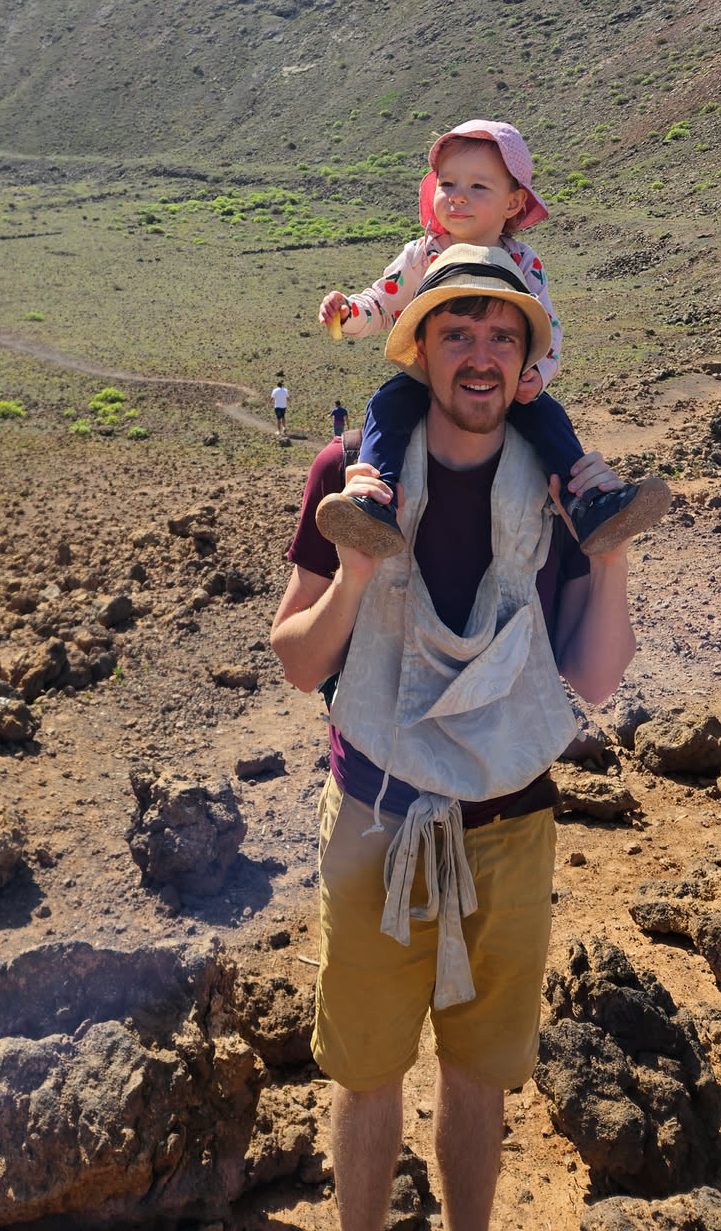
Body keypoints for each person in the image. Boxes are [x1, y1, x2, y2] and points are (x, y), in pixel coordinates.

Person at [272, 244, 637, 1231]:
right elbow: (300, 660)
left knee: (479, 1078)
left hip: (510, 826)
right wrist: (356, 570)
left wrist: (607, 553)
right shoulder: (347, 477)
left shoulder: (559, 486)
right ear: (420, 349)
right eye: (459, 333)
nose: (481, 356)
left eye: (502, 337)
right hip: (375, 819)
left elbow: (595, 676)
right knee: (368, 1076)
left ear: (526, 361)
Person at [316, 120, 669, 560]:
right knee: (388, 405)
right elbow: (382, 302)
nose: (458, 196)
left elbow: (548, 325)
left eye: (478, 186)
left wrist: (538, 374)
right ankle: (375, 500)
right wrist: (348, 314)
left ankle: (587, 504)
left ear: (514, 201)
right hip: (431, 376)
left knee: (549, 418)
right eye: (447, 183)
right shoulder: (422, 254)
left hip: (506, 382)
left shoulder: (523, 260)